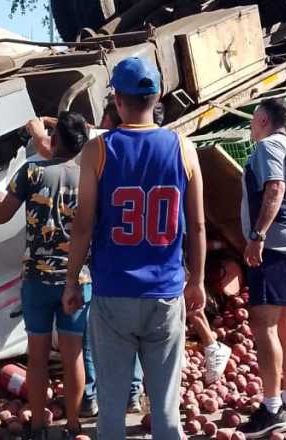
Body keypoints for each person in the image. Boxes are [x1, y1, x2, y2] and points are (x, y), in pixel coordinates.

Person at [63, 57, 208, 440]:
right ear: (157, 96)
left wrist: (71, 280)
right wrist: (198, 280)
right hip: (165, 293)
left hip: (113, 293)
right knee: (166, 412)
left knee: (111, 412)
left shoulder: (98, 151)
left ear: (116, 99)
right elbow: (196, 225)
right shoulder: (183, 148)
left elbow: (83, 225)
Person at [0, 111, 92, 439]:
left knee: (37, 357)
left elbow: (2, 216)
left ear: (55, 139)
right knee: (73, 355)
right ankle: (73, 425)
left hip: (37, 280)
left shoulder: (32, 172)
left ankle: (37, 428)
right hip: (77, 280)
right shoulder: (91, 177)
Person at [237, 97, 286, 439]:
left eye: (254, 118)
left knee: (264, 324)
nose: (252, 125)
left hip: (276, 247)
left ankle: (271, 409)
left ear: (265, 120)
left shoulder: (268, 147)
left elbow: (275, 188)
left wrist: (258, 235)